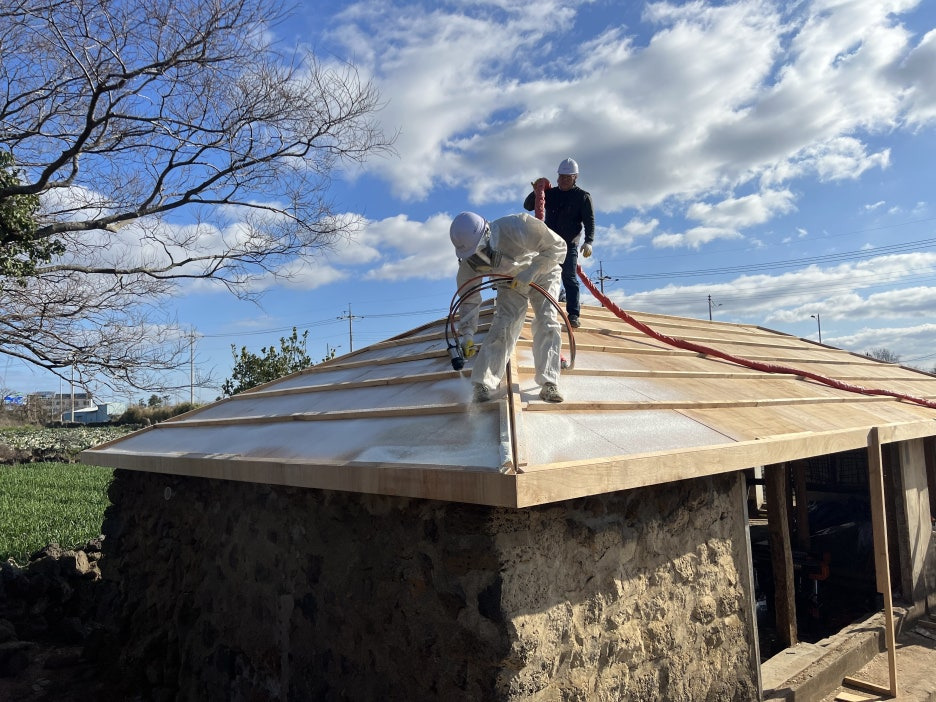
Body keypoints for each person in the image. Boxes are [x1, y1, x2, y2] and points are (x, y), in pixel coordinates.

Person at [449, 211, 566, 403]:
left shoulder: (517, 227)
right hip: (509, 282)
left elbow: (558, 247)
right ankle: (483, 383)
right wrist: (468, 334)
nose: (478, 258)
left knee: (547, 320)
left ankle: (549, 383)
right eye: (473, 255)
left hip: (543, 272)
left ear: (487, 235)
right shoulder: (469, 263)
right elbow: (469, 298)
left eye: (480, 251)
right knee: (503, 325)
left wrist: (532, 270)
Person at [523, 157, 595, 328]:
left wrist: (589, 241)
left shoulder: (582, 197)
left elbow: (589, 220)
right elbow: (528, 206)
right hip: (549, 243)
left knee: (569, 277)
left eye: (567, 177)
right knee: (541, 274)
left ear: (575, 177)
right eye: (561, 177)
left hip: (569, 244)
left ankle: (573, 314)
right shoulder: (551, 194)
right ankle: (540, 309)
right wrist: (537, 190)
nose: (563, 180)